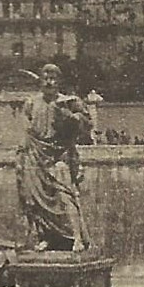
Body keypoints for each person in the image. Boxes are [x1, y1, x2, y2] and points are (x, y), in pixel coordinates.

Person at [16, 63, 94, 252]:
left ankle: (77, 238)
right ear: (40, 81)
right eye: (45, 78)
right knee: (36, 200)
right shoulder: (31, 103)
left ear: (59, 82)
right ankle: (46, 237)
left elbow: (87, 124)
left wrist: (69, 116)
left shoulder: (70, 101)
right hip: (35, 156)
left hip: (60, 155)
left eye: (53, 79)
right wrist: (21, 157)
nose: (49, 82)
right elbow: (27, 132)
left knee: (65, 194)